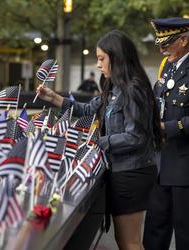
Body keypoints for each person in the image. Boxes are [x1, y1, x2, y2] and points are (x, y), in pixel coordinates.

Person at [36, 30, 162, 250]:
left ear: (117, 57)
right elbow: (88, 109)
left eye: (102, 58)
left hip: (132, 172)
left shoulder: (133, 89)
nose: (98, 64)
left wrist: (98, 141)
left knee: (130, 241)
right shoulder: (113, 86)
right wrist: (54, 97)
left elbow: (137, 137)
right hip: (123, 170)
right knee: (123, 240)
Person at [143, 17, 189, 250]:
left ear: (183, 40)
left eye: (167, 44)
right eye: (159, 44)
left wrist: (162, 128)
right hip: (163, 163)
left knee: (188, 233)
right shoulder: (170, 66)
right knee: (154, 229)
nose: (162, 50)